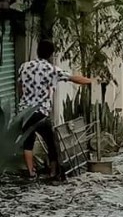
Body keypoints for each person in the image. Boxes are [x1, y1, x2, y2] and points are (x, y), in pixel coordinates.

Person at [18, 40, 92, 179]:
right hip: (41, 113)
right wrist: (91, 80)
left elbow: (20, 87)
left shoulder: (24, 66)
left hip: (25, 112)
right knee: (51, 143)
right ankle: (53, 172)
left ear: (38, 51)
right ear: (51, 54)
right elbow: (73, 78)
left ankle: (31, 173)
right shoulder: (52, 69)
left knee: (28, 143)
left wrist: (24, 101)